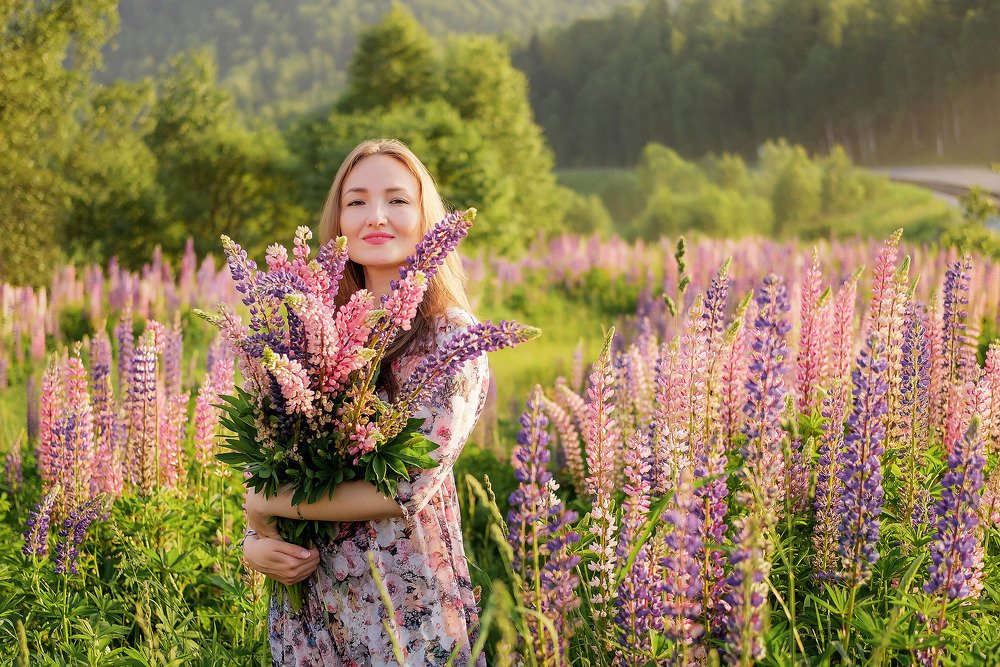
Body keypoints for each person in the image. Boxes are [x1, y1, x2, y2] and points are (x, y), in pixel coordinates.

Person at [241, 138, 490, 666]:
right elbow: (270, 456)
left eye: (397, 199)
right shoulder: (303, 331)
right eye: (356, 201)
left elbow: (404, 488)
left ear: (427, 218)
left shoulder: (452, 340)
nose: (375, 216)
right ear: (338, 221)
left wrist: (267, 502)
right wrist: (254, 541)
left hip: (403, 611)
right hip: (308, 614)